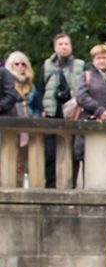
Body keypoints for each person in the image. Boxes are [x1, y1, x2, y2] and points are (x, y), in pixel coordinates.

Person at [73, 44, 106, 187]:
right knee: (86, 158)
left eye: (104, 58)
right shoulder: (86, 76)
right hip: (88, 122)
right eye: (98, 58)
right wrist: (99, 111)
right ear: (93, 60)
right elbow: (81, 96)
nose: (102, 61)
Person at [40, 33, 85, 187]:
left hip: (72, 112)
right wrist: (42, 108)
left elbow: (84, 89)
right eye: (60, 44)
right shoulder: (47, 65)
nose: (64, 47)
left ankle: (72, 184)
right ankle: (50, 184)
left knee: (73, 152)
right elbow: (41, 88)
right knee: (50, 152)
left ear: (71, 46)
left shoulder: (80, 65)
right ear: (55, 47)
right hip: (51, 111)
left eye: (66, 44)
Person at [3, 51, 41, 184]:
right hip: (11, 123)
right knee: (8, 157)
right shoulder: (5, 83)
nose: (20, 67)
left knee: (22, 162)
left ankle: (19, 186)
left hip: (28, 125)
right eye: (16, 64)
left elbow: (37, 107)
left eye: (23, 64)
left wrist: (36, 120)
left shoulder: (31, 86)